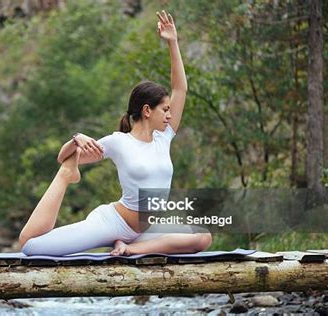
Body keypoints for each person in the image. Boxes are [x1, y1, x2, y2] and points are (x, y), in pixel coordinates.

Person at [19, 10, 212, 256]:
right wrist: (76, 140)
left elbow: (180, 88)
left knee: (203, 236)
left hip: (148, 231)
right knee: (31, 246)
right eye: (164, 109)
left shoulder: (164, 137)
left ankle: (131, 249)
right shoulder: (118, 142)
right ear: (146, 111)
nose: (169, 114)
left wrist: (173, 42)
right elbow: (65, 156)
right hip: (114, 223)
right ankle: (67, 180)